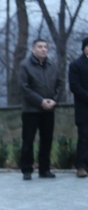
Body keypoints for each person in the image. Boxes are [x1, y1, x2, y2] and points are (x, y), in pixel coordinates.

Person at [19, 39, 63, 180]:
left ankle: (44, 169)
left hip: (49, 110)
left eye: (45, 47)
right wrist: (40, 101)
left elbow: (60, 84)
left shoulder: (53, 65)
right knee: (28, 140)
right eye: (40, 47)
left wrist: (54, 100)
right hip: (30, 110)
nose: (43, 49)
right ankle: (27, 169)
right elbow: (24, 88)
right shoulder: (25, 66)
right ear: (33, 49)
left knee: (47, 140)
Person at [68, 37, 88, 178]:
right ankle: (81, 166)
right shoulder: (76, 65)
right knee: (84, 138)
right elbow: (75, 87)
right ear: (84, 48)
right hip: (84, 109)